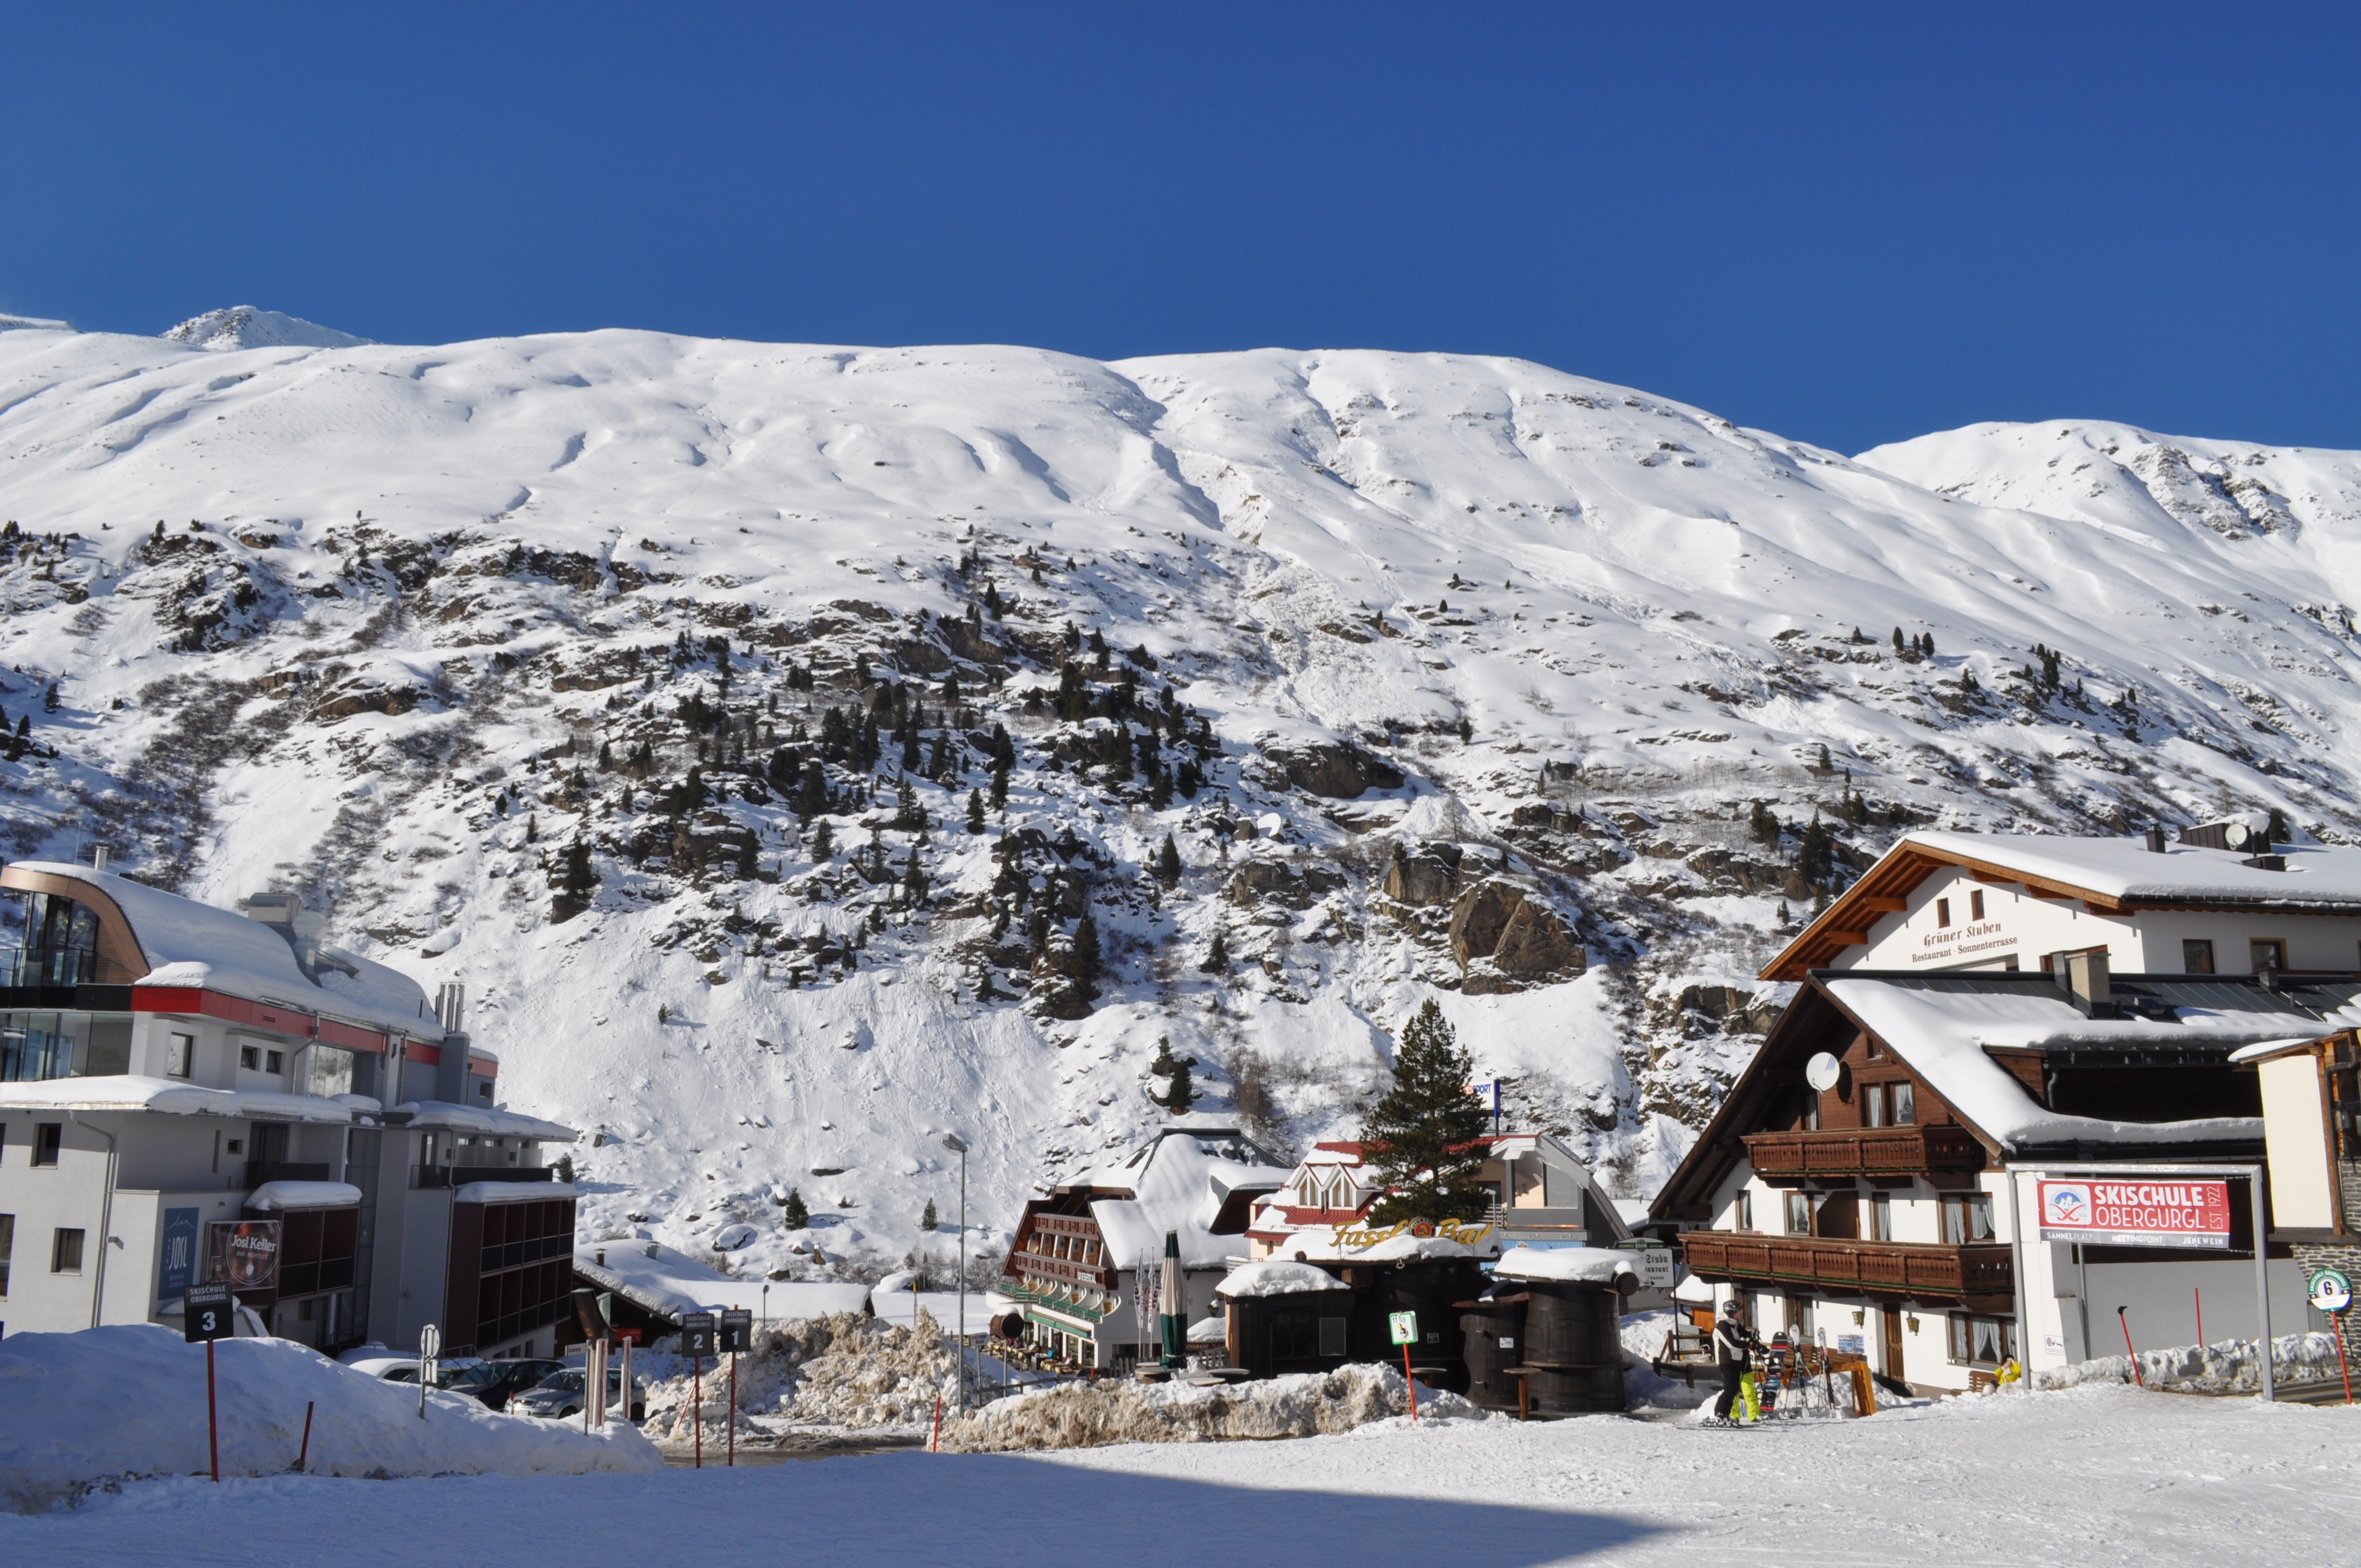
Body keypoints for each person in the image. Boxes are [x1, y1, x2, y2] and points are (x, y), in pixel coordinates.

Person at [1709, 1298, 1760, 1427]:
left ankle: (1725, 1415)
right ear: (1730, 1312)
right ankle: (1719, 1414)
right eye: (1737, 1312)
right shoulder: (1722, 1325)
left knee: (1734, 1390)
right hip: (1727, 1361)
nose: (1739, 1315)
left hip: (1736, 1361)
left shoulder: (1733, 1325)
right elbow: (1731, 1343)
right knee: (1729, 1390)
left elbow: (1744, 1335)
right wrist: (1747, 1344)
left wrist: (1751, 1342)